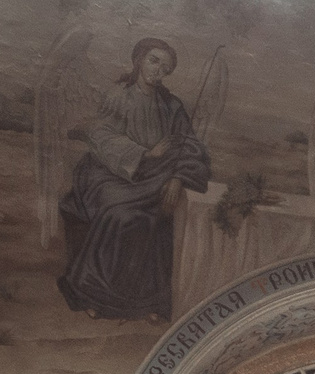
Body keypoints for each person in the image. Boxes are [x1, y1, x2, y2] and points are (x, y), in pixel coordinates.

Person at [58, 38, 210, 322]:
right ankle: (93, 294)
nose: (158, 71)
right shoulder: (120, 96)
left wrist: (177, 177)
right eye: (154, 61)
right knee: (120, 214)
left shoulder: (171, 105)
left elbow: (191, 146)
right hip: (108, 173)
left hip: (154, 178)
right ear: (139, 60)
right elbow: (101, 136)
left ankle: (148, 301)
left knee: (156, 217)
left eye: (165, 67)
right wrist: (144, 153)